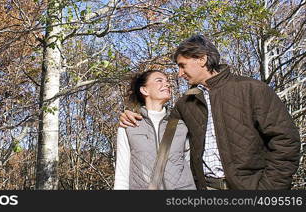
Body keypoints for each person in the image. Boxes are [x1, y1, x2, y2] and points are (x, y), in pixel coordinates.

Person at [119, 34, 301, 190]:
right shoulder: (185, 104)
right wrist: (132, 114)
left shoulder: (252, 89)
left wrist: (268, 190)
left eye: (183, 65)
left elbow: (286, 142)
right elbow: (158, 124)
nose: (180, 74)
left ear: (202, 59)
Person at [114, 70, 196, 190]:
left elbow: (188, 163)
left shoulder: (180, 125)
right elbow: (122, 172)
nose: (167, 84)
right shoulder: (129, 125)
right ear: (144, 90)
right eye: (159, 81)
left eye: (167, 82)